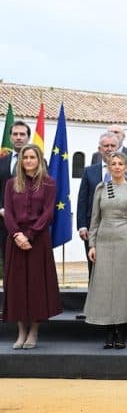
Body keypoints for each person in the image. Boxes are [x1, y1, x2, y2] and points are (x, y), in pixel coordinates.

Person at [2, 144, 61, 349]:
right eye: (25, 157)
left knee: (36, 285)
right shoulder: (11, 184)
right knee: (17, 286)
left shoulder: (49, 183)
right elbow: (8, 212)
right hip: (15, 239)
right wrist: (17, 235)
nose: (28, 160)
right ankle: (21, 332)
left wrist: (29, 235)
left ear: (39, 160)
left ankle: (34, 331)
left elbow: (48, 213)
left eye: (32, 157)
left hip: (38, 239)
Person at [83, 152, 127, 350]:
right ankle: (109, 331)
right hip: (103, 240)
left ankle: (121, 331)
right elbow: (95, 218)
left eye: (120, 164)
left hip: (125, 240)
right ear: (108, 167)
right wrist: (92, 244)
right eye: (113, 164)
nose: (116, 167)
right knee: (105, 286)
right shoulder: (101, 188)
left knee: (123, 286)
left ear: (126, 167)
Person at [76, 132, 127, 320]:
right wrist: (83, 226)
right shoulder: (91, 173)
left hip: (123, 236)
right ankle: (95, 310)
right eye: (106, 146)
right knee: (97, 274)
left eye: (113, 146)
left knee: (121, 277)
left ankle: (121, 315)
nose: (110, 149)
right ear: (100, 149)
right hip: (97, 232)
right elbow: (83, 200)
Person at [0, 121, 31, 278]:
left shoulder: (37, 162)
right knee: (8, 265)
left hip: (29, 224)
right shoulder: (1, 162)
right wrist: (1, 209)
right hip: (4, 222)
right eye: (15, 134)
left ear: (28, 137)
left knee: (29, 267)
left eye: (22, 134)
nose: (19, 137)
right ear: (10, 137)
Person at [90, 124, 127, 190]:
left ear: (123, 136)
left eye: (116, 132)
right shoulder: (97, 155)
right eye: (110, 132)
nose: (113, 134)